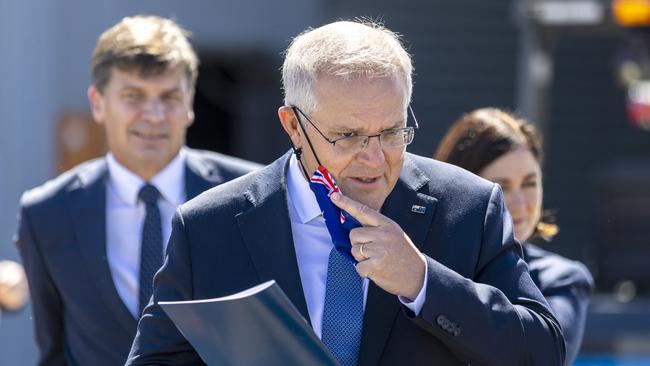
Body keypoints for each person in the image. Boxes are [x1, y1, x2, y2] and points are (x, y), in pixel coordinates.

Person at [127, 20, 565, 365]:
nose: (374, 158)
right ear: (293, 125)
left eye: (392, 132)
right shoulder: (209, 225)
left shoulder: (467, 208)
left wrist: (423, 282)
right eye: (349, 136)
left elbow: (542, 352)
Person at [15, 15, 260, 366]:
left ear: (190, 101)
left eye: (169, 97)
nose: (155, 114)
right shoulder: (46, 213)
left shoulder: (250, 195)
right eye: (134, 96)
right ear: (98, 103)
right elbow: (54, 351)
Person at [435, 107, 593, 365]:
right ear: (459, 190)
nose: (519, 203)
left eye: (530, 183)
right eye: (501, 188)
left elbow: (542, 358)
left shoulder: (561, 278)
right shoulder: (420, 263)